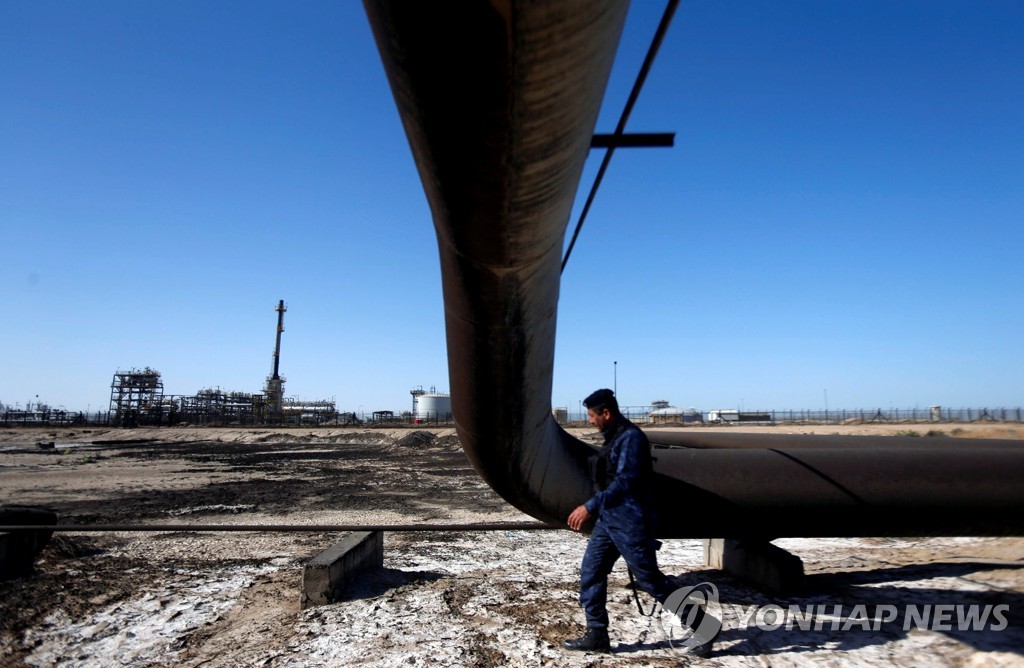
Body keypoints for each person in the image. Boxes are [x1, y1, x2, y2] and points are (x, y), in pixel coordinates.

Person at [563, 388, 716, 657]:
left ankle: (702, 625)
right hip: (608, 522)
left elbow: (626, 481)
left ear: (606, 413)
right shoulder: (613, 438)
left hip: (631, 523)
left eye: (591, 416)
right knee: (591, 573)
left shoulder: (631, 439)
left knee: (651, 581)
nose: (589, 421)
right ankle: (597, 633)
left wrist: (590, 506)